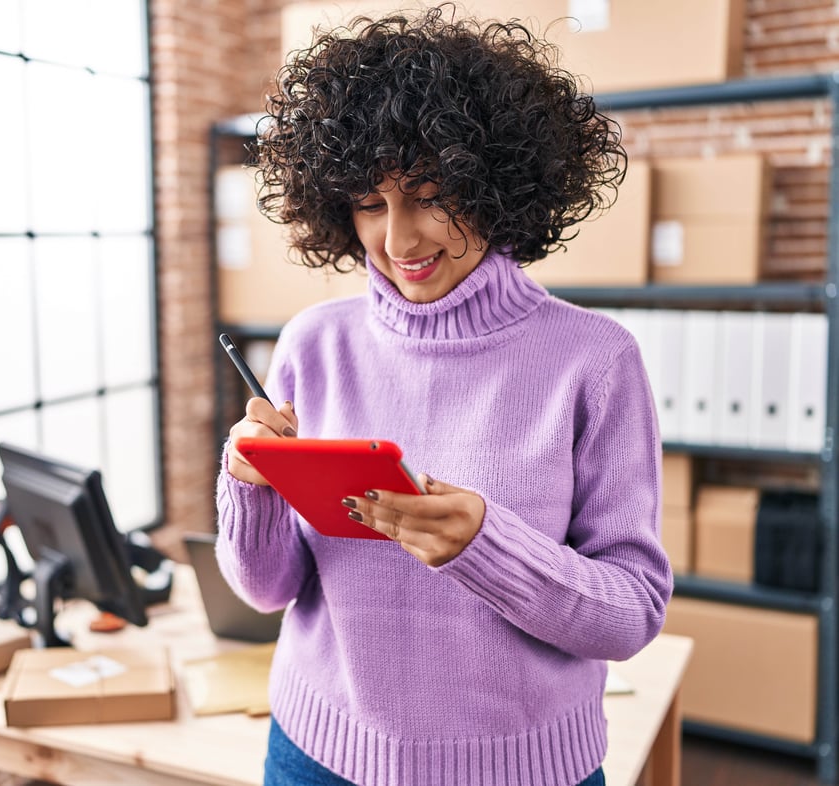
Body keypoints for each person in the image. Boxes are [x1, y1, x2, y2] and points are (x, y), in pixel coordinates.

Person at [214, 5, 673, 786]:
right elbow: (266, 591)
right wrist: (249, 484)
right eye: (369, 202)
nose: (398, 240)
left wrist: (485, 548)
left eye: (429, 194)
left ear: (496, 186)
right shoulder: (312, 343)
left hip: (522, 770)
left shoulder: (594, 361)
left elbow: (629, 614)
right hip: (317, 753)